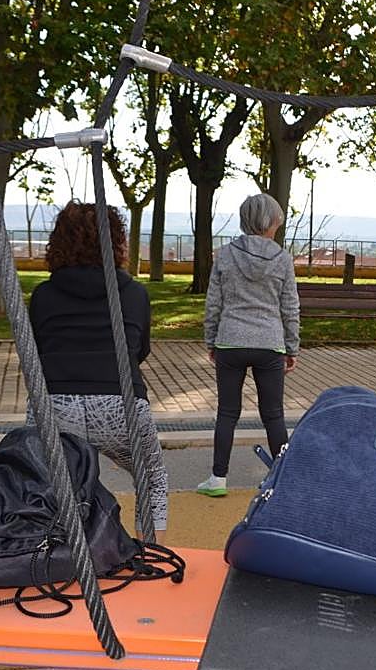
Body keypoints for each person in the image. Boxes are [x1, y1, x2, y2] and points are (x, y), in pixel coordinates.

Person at [28, 202, 169, 535]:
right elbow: (139, 351)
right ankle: (152, 553)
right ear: (117, 242)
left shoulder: (44, 296)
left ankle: (52, 555)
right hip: (120, 404)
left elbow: (34, 353)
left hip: (55, 406)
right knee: (152, 480)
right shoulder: (134, 294)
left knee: (47, 486)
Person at [199, 193, 300, 497]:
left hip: (230, 340)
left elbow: (213, 303)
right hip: (270, 342)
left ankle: (218, 479)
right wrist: (291, 346)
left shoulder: (225, 255)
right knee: (274, 414)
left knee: (227, 413)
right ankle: (283, 480)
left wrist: (212, 340)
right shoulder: (282, 259)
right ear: (270, 222)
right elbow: (290, 307)